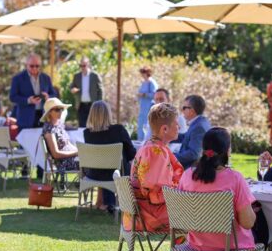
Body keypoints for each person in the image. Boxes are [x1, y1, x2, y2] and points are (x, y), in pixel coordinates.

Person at [177, 127, 260, 251]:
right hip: (228, 244)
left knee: (231, 239)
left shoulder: (187, 176)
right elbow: (248, 222)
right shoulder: (235, 178)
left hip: (197, 243)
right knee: (249, 242)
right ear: (227, 150)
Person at [126, 103, 184, 233]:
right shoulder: (156, 152)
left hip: (140, 213)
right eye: (176, 123)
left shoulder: (149, 146)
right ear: (165, 129)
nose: (179, 126)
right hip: (148, 216)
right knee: (200, 215)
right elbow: (155, 190)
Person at [83, 101, 136, 213]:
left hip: (94, 174)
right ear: (108, 114)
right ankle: (122, 202)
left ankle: (108, 203)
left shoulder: (87, 133)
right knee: (123, 163)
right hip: (116, 174)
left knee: (109, 167)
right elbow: (132, 153)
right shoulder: (118, 130)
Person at [9, 54, 58, 132]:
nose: (34, 68)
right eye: (32, 66)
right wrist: (28, 100)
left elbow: (54, 94)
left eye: (37, 66)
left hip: (43, 116)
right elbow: (12, 97)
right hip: (25, 118)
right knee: (26, 143)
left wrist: (47, 97)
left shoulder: (46, 78)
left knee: (43, 142)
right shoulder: (18, 78)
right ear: (26, 65)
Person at [40, 98, 79, 173]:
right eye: (57, 109)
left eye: (61, 109)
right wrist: (76, 153)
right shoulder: (49, 129)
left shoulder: (59, 125)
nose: (60, 111)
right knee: (90, 162)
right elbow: (56, 154)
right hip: (64, 163)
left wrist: (79, 151)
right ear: (49, 112)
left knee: (90, 159)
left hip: (72, 158)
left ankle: (86, 183)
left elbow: (68, 144)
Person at [173, 94, 211, 168]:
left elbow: (193, 154)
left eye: (184, 108)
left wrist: (171, 156)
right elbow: (186, 137)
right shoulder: (199, 122)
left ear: (192, 110)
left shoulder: (199, 127)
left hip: (191, 171)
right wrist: (167, 136)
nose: (182, 111)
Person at [69, 57, 103, 128]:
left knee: (93, 125)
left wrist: (99, 103)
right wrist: (73, 89)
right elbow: (72, 86)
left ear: (88, 65)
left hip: (92, 105)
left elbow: (101, 90)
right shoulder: (77, 76)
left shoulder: (94, 75)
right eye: (80, 66)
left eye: (84, 65)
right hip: (81, 105)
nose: (82, 68)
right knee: (82, 126)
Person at [136, 66, 158, 139]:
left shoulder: (152, 83)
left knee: (147, 125)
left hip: (149, 107)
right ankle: (140, 141)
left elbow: (155, 94)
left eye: (143, 73)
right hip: (143, 108)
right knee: (140, 125)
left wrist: (145, 94)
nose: (142, 74)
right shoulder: (144, 82)